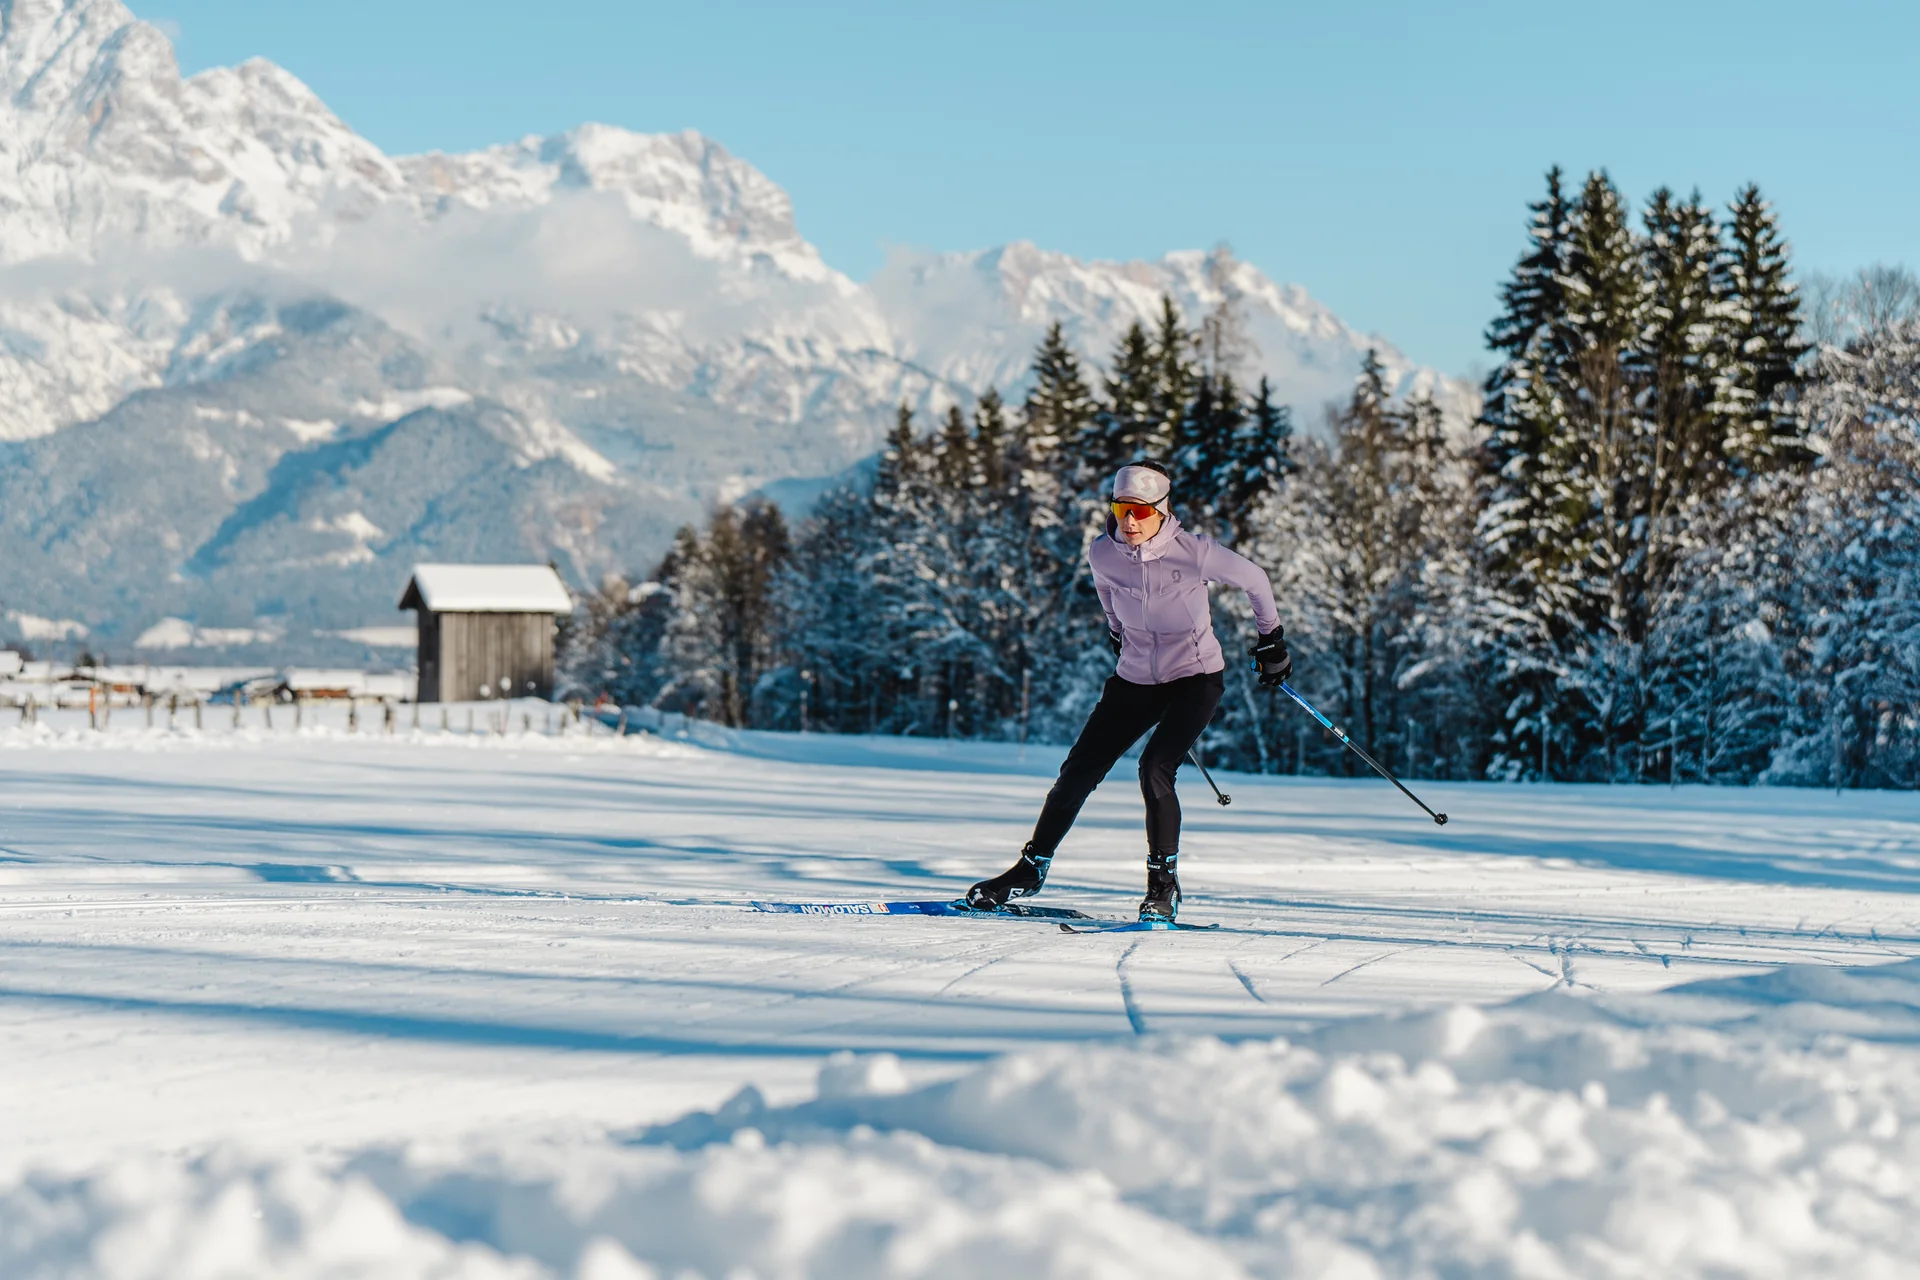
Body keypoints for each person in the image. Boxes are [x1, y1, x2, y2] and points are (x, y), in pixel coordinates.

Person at [966, 460, 1291, 921]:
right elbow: (1106, 592)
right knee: (1078, 770)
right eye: (1122, 509)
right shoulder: (1103, 552)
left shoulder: (1193, 552)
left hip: (1194, 678)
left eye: (1141, 510)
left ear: (1162, 509)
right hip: (1135, 678)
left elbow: (1256, 580)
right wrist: (1118, 630)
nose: (1130, 520)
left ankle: (1163, 886)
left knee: (1155, 767)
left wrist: (1271, 639)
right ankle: (1030, 870)